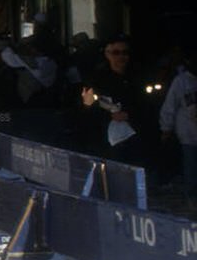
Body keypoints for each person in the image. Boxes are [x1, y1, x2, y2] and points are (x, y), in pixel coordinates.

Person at [80, 34, 154, 166]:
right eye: (116, 53)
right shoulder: (96, 79)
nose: (121, 57)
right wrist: (109, 116)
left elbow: (148, 104)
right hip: (106, 140)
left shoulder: (138, 77)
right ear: (107, 54)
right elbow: (88, 107)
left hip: (136, 136)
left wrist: (130, 114)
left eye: (125, 53)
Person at [159, 49, 197, 208]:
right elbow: (170, 105)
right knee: (191, 168)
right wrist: (166, 127)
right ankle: (192, 199)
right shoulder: (181, 82)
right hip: (189, 135)